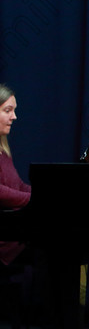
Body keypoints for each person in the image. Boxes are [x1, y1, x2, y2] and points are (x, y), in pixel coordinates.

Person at [0, 84, 30, 266]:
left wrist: (50, 192)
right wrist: (36, 198)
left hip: (12, 233)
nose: (14, 117)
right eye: (7, 110)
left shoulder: (3, 151)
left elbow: (18, 186)